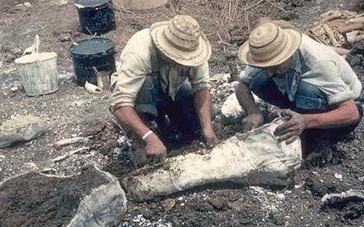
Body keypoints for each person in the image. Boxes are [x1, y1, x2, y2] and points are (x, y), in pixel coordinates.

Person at [235, 20, 363, 158]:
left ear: (288, 53)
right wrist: (253, 112)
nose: (269, 73)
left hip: (339, 107)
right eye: (266, 67)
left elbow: (351, 113)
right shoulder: (265, 54)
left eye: (274, 66)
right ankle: (300, 113)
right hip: (297, 91)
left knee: (308, 90)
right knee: (258, 80)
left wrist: (306, 121)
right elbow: (241, 86)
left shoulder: (318, 63)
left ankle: (318, 138)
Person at [109, 15, 218, 167]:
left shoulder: (194, 49)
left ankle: (166, 128)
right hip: (140, 94)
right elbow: (120, 104)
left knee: (202, 119)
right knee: (146, 84)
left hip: (170, 91)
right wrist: (149, 137)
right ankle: (140, 139)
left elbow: (201, 88)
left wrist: (207, 128)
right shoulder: (141, 50)